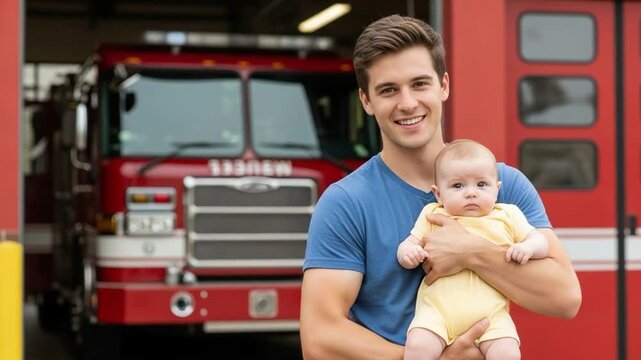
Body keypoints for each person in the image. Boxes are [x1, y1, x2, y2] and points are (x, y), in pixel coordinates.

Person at [300, 14, 581, 360]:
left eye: (420, 84)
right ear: (366, 101)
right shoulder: (346, 203)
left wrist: (470, 251)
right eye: (388, 90)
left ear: (443, 85)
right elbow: (319, 337)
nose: (407, 103)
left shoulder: (503, 185)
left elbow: (565, 298)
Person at [398, 140, 549, 360]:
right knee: (418, 347)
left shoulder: (508, 215)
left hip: (492, 317)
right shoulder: (433, 213)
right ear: (438, 194)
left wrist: (528, 247)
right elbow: (410, 242)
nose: (471, 193)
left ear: (496, 189)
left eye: (481, 185)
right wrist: (407, 254)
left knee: (507, 352)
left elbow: (541, 242)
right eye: (458, 186)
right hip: (437, 313)